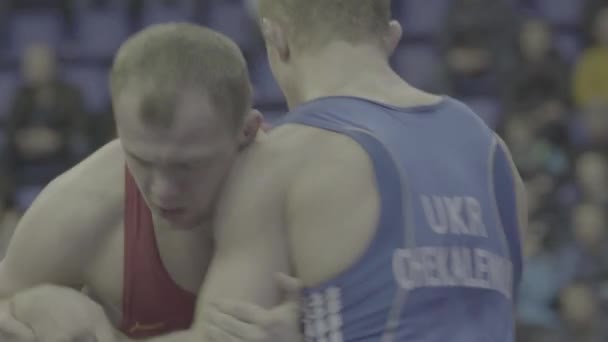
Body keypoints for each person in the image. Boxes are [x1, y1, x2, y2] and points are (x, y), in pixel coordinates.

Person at [200, 0, 527, 341]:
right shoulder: (493, 154)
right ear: (392, 36)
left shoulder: (281, 160)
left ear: (276, 37)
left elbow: (219, 332)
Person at [0, 22, 291, 341]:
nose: (162, 191)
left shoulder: (303, 184)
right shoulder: (81, 206)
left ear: (248, 132)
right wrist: (26, 306)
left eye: (187, 166)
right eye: (141, 160)